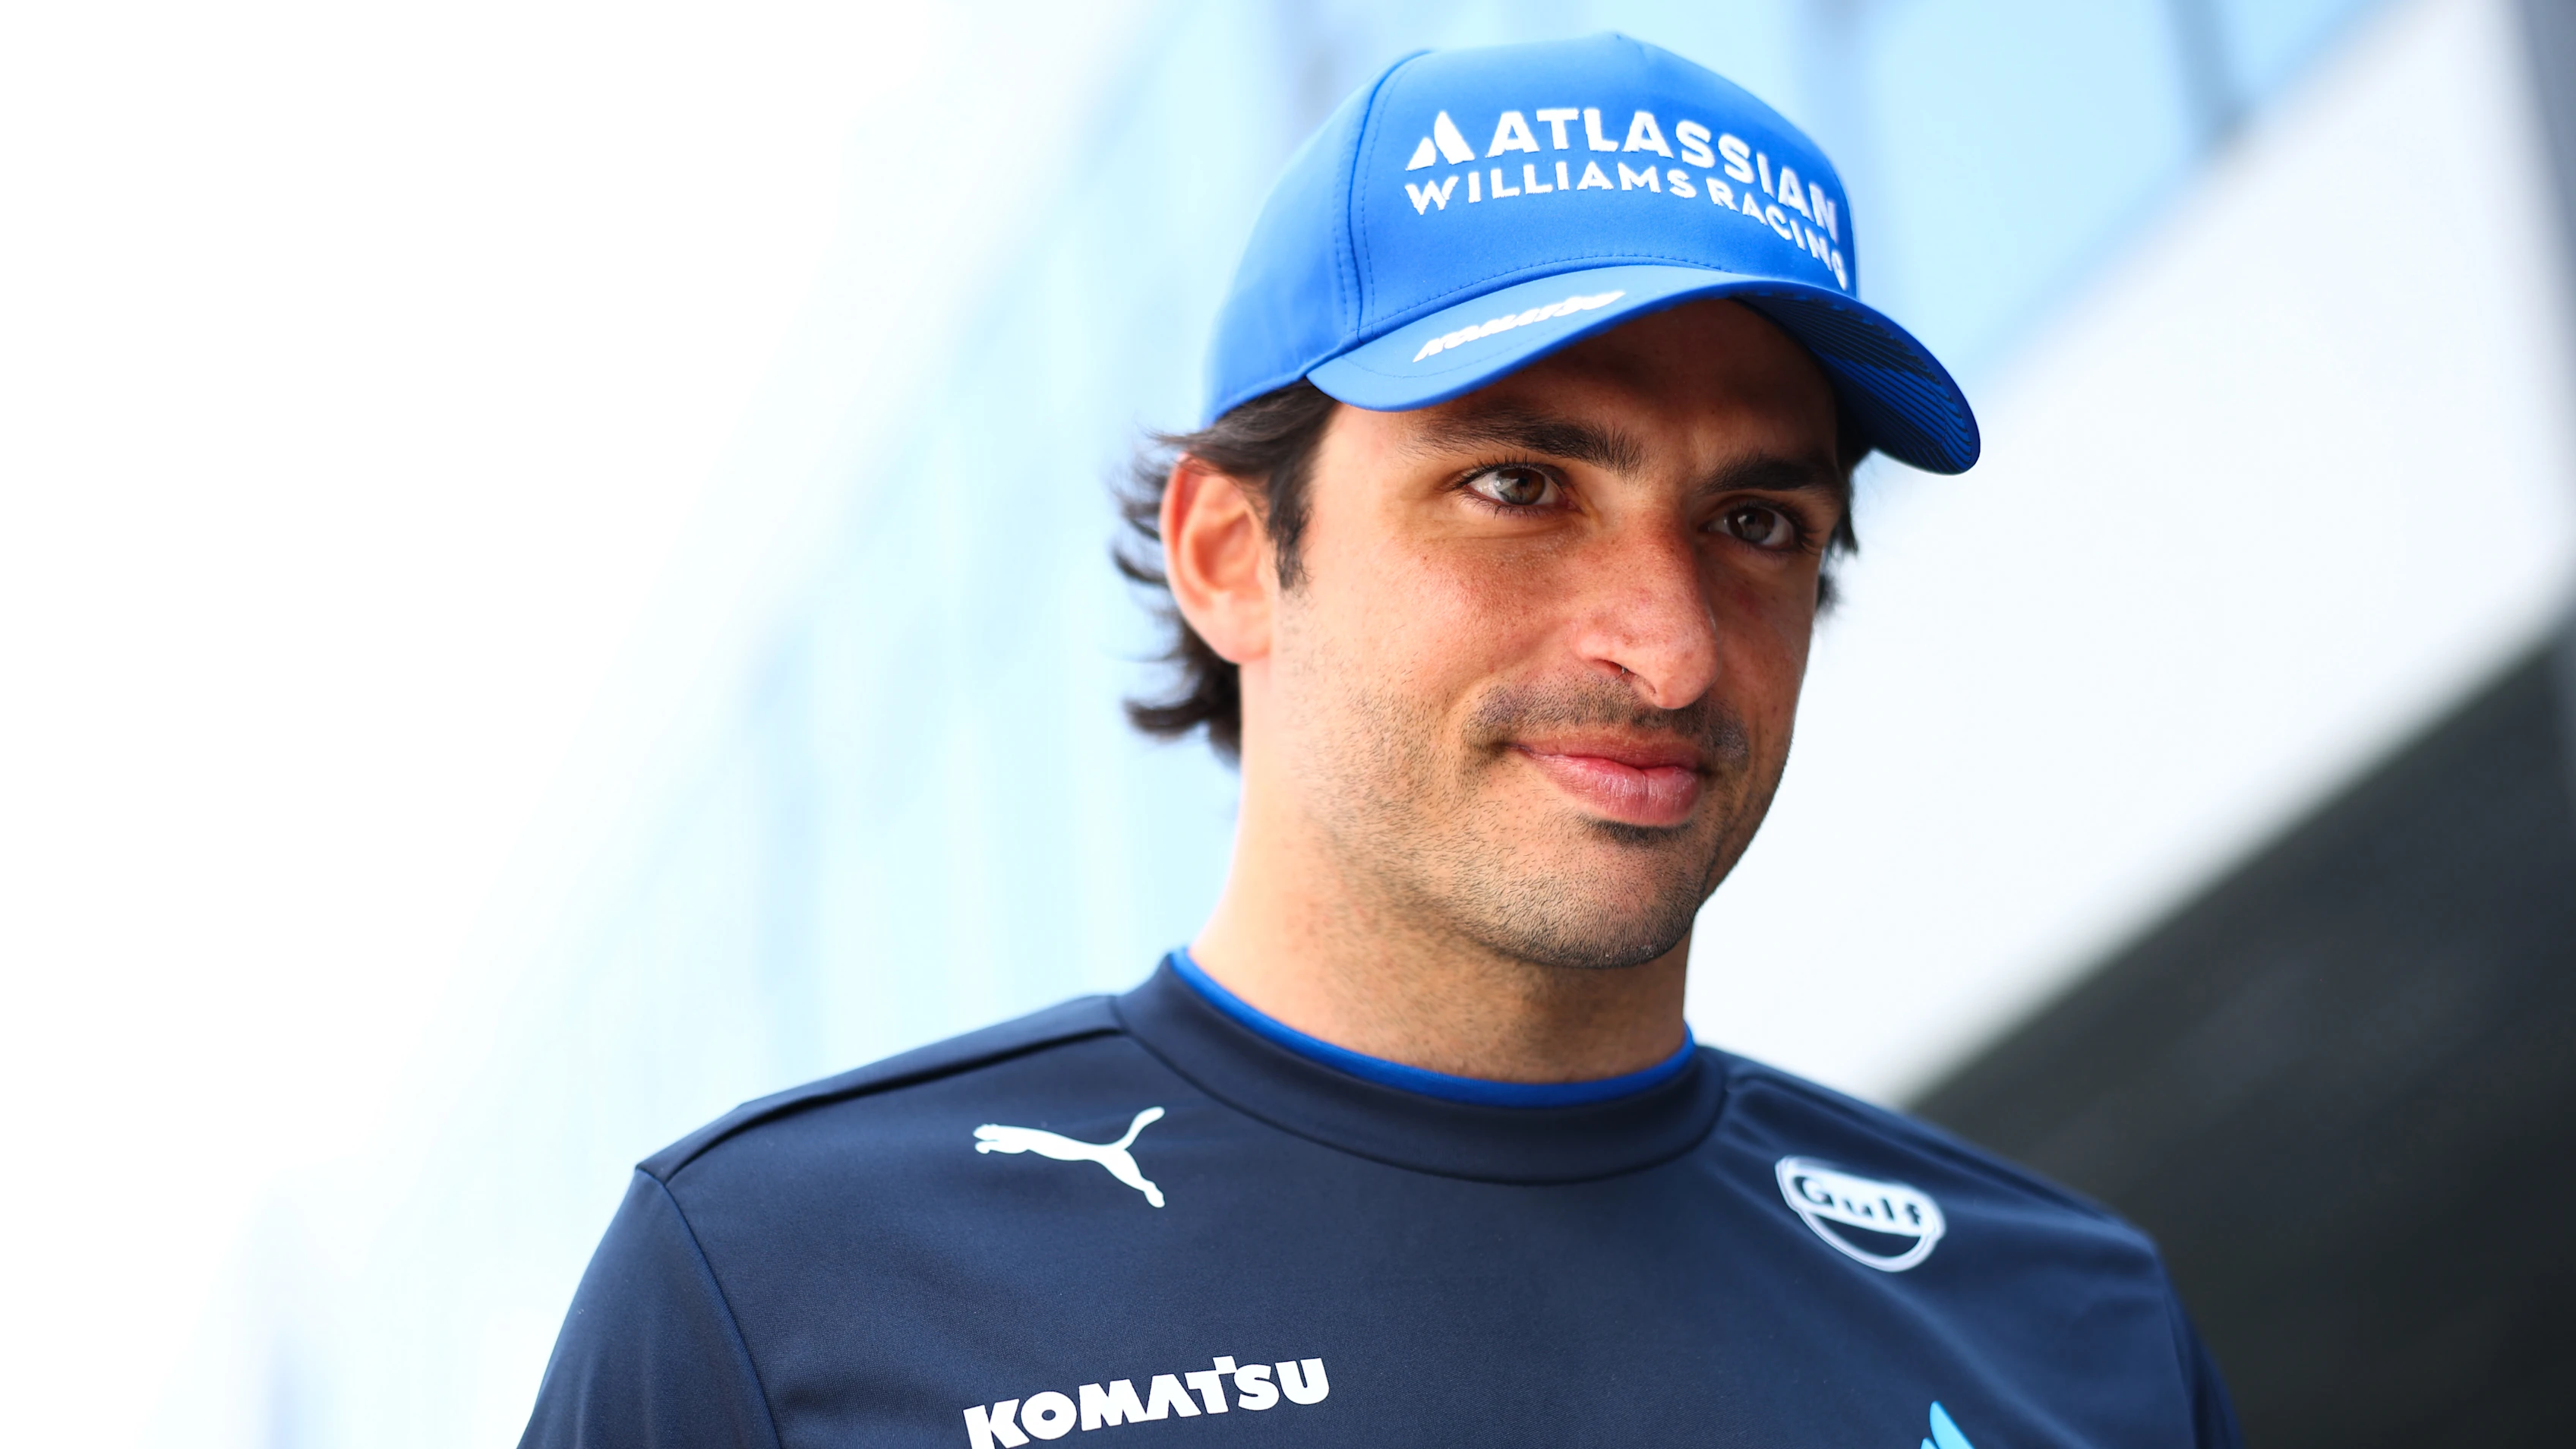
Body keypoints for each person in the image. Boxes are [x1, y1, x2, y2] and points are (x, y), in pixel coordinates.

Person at [519, 33, 2239, 1449]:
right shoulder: (784, 1291)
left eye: (1755, 523)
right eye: (1518, 487)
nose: (1666, 648)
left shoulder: (2071, 1333)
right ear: (1228, 556)